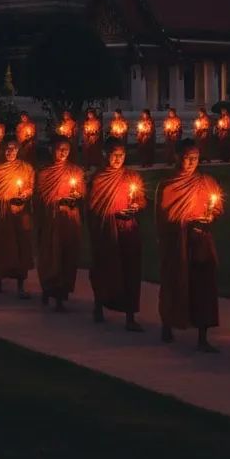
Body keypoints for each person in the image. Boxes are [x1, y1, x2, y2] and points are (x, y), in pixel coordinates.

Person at [156, 140, 223, 351]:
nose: (192, 162)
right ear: (177, 157)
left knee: (204, 287)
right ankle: (168, 323)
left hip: (201, 242)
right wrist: (185, 224)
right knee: (174, 282)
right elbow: (163, 219)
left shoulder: (206, 182)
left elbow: (217, 207)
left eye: (195, 158)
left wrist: (209, 217)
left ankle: (203, 336)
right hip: (177, 244)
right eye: (187, 157)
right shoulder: (168, 185)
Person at [87, 138, 145, 331]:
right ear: (105, 155)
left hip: (128, 230)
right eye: (114, 154)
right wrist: (113, 214)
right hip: (107, 232)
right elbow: (94, 207)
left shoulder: (131, 177)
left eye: (122, 155)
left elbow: (140, 200)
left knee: (130, 270)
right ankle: (99, 305)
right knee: (105, 268)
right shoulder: (99, 179)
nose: (118, 158)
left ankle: (130, 316)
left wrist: (135, 206)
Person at [35, 137, 85, 310]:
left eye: (66, 149)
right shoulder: (44, 173)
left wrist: (75, 197)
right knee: (51, 254)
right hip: (52, 219)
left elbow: (81, 193)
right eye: (59, 149)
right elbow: (42, 198)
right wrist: (58, 201)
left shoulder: (75, 171)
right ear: (51, 150)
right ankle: (50, 289)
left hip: (70, 219)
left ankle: (61, 292)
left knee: (68, 254)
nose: (63, 152)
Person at [0, 139, 36, 298]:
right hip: (2, 213)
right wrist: (4, 200)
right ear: (3, 150)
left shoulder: (26, 168)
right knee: (0, 245)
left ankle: (20, 285)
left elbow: (30, 187)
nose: (10, 152)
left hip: (20, 212)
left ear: (18, 150)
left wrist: (24, 195)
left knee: (20, 245)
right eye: (7, 149)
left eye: (13, 149)